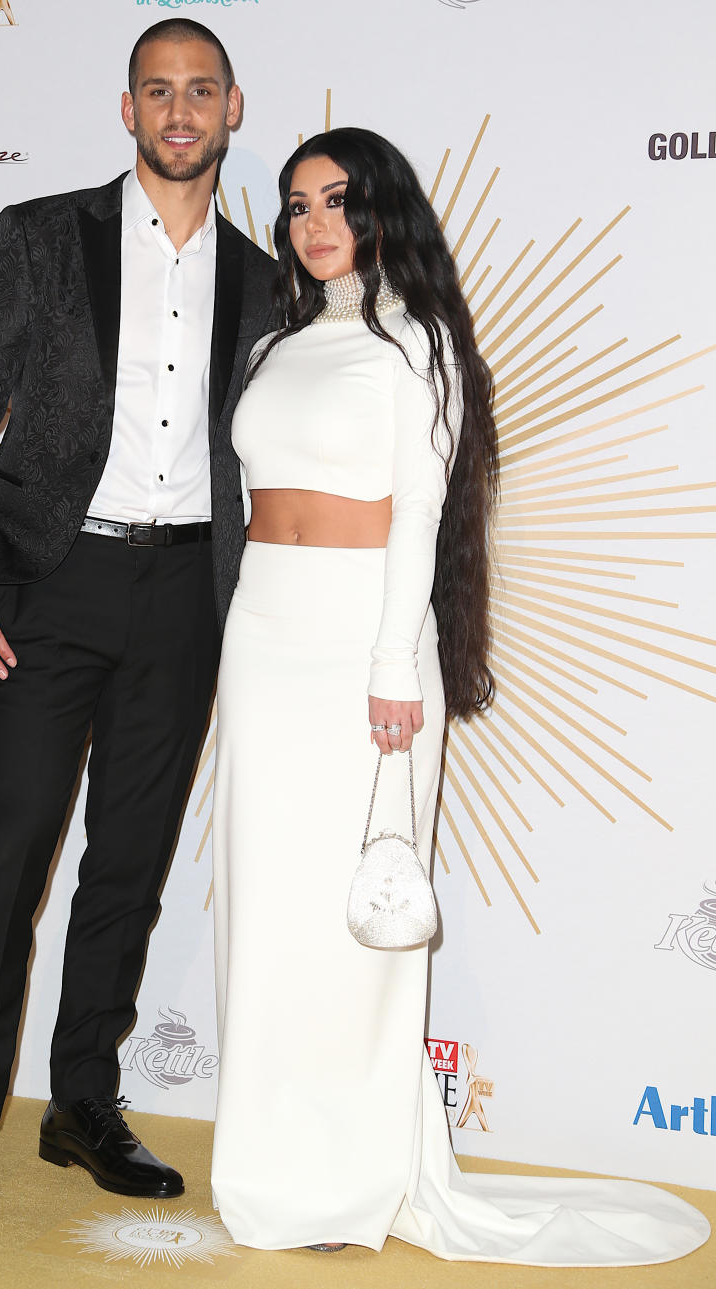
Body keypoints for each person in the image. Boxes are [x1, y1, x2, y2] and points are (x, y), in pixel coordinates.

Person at [209, 128, 709, 1264]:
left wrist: (394, 666)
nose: (314, 224)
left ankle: (353, 1175)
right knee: (268, 908)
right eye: (295, 206)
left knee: (358, 914)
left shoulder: (416, 340)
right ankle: (271, 1162)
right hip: (264, 640)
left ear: (385, 212)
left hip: (360, 645)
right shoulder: (276, 343)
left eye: (338, 201)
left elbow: (421, 517)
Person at [0, 19, 276, 1235]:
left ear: (233, 109)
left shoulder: (267, 281)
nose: (180, 111)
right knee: (7, 852)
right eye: (157, 92)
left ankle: (84, 1102)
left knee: (126, 867)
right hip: (46, 585)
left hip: (184, 600)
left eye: (200, 91)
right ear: (127, 111)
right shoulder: (41, 235)